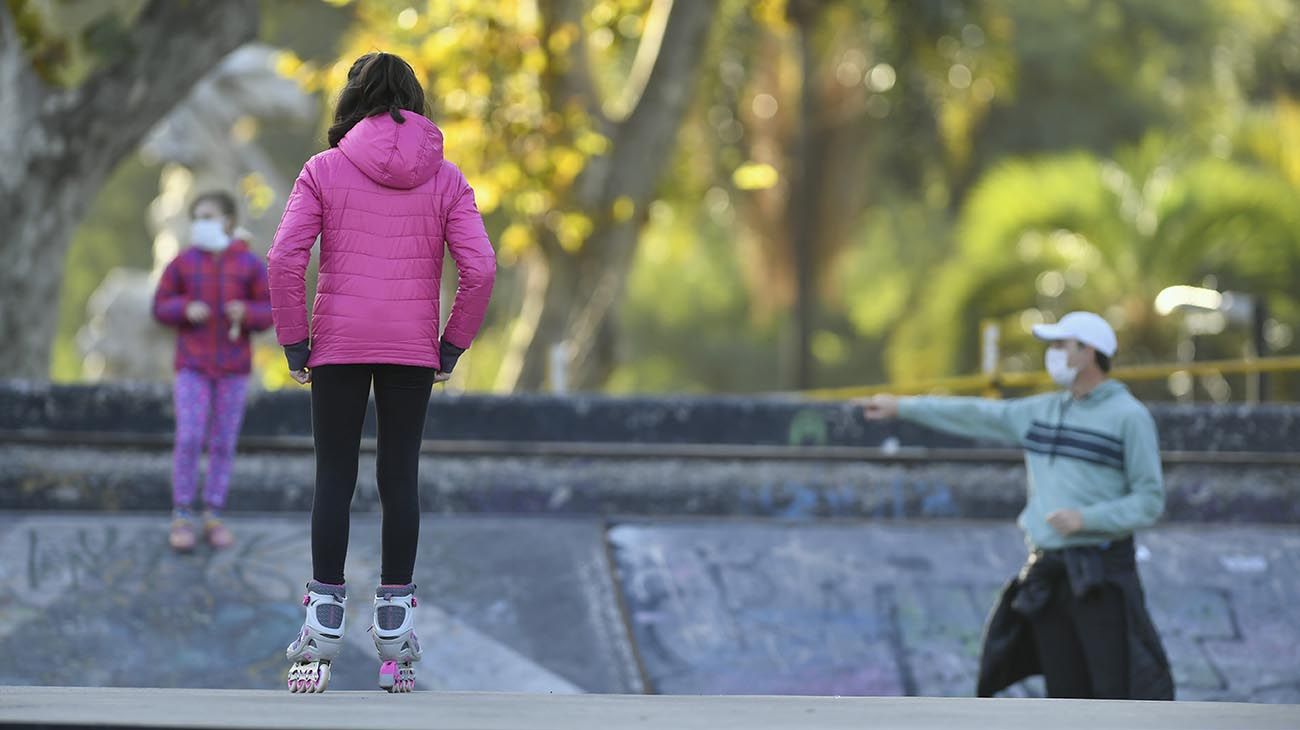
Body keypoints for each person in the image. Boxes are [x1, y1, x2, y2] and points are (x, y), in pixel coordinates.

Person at [268, 51, 496, 694]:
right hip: (411, 348)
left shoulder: (323, 170)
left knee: (333, 477)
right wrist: (451, 345)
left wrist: (295, 341)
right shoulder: (447, 178)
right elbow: (480, 270)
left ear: (351, 100)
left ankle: (323, 623)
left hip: (337, 342)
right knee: (400, 477)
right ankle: (394, 626)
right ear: (415, 98)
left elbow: (285, 259)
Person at [861, 311, 1174, 700]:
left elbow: (1149, 500)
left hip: (1101, 575)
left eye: (1061, 346)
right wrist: (903, 408)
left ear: (1089, 352)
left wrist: (1086, 519)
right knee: (1063, 692)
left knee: (1114, 691)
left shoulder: (1129, 417)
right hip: (1048, 573)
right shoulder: (1041, 411)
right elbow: (975, 414)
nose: (1054, 354)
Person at [152, 191, 273, 552]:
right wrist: (184, 308)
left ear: (229, 221)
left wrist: (246, 314)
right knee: (189, 438)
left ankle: (214, 513)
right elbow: (159, 306)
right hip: (192, 366)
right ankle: (182, 513)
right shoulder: (183, 263)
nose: (200, 224)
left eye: (208, 216)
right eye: (197, 218)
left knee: (223, 442)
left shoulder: (250, 265)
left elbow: (269, 311)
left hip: (234, 369)